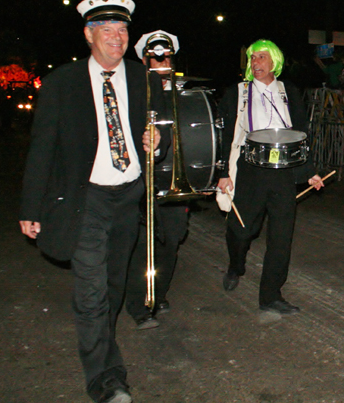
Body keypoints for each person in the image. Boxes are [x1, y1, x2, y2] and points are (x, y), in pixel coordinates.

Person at [19, 0, 167, 403]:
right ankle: (106, 379)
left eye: (122, 30)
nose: (117, 38)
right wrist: (31, 208)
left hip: (128, 196)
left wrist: (156, 142)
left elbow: (158, 135)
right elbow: (42, 148)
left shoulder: (143, 79)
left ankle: (105, 348)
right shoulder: (61, 83)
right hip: (86, 199)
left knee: (114, 283)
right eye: (107, 30)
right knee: (91, 292)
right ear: (89, 35)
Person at [216, 40, 324, 315]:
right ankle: (236, 264)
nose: (256, 62)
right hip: (251, 169)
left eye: (262, 57)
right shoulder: (237, 93)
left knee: (281, 237)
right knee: (242, 229)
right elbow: (225, 135)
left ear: (274, 62)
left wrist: (308, 171)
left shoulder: (289, 92)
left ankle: (271, 295)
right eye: (253, 58)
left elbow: (301, 135)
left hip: (283, 171)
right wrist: (222, 173)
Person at [124, 31, 190, 330]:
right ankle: (138, 304)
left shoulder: (184, 91)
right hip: (143, 177)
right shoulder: (133, 88)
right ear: (144, 59)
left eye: (166, 56)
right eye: (155, 56)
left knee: (171, 240)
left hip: (174, 176)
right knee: (141, 243)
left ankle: (159, 293)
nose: (162, 60)